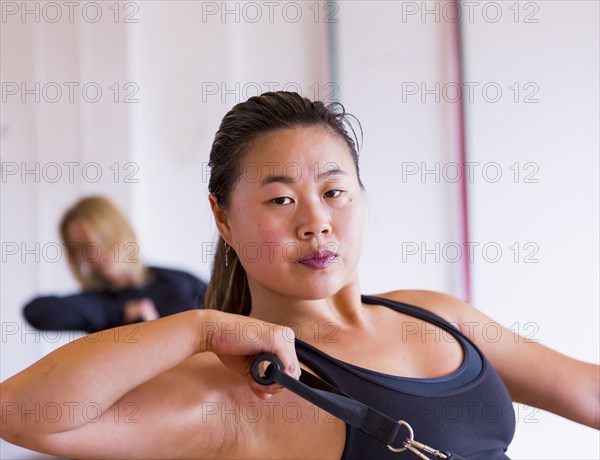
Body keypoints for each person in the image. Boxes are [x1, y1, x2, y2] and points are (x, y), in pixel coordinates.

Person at [1, 92, 598, 459]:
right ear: (223, 219)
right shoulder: (240, 388)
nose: (316, 222)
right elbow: (19, 414)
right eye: (281, 200)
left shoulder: (436, 314)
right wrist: (199, 330)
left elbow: (588, 391)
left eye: (334, 191)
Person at [22, 196, 207, 333]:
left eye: (101, 240)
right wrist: (122, 311)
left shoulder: (176, 281)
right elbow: (36, 312)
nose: (95, 254)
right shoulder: (98, 302)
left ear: (121, 232)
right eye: (84, 248)